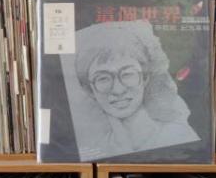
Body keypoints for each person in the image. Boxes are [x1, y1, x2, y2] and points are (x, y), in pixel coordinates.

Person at [71, 20, 197, 161]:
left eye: (127, 74)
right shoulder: (94, 147)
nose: (118, 90)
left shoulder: (178, 136)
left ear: (145, 77)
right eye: (103, 78)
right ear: (90, 90)